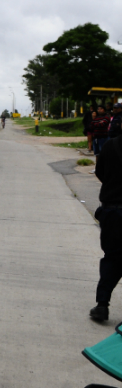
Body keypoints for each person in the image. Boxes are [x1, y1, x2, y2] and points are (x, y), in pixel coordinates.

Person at [88, 133, 122, 322]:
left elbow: (100, 172)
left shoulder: (110, 146)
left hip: (113, 211)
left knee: (112, 259)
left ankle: (102, 305)